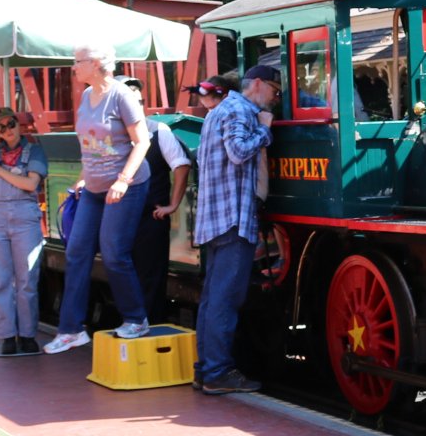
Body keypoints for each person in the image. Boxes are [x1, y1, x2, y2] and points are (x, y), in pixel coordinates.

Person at [44, 43, 154, 353]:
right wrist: (83, 175)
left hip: (126, 186)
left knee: (113, 253)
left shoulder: (122, 95)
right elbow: (91, 144)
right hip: (93, 188)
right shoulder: (85, 97)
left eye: (77, 61)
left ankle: (136, 319)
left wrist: (123, 180)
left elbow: (142, 141)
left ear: (96, 64)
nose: (73, 67)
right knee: (76, 251)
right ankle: (71, 330)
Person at [191, 65, 279, 394]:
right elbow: (239, 152)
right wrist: (265, 131)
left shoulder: (221, 108)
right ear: (257, 84)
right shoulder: (242, 110)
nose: (274, 96)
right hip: (232, 218)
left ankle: (206, 369)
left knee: (213, 298)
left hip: (215, 218)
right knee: (225, 299)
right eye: (273, 88)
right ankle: (217, 372)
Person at [122, 77, 193, 325]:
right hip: (120, 217)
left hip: (149, 217)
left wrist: (172, 205)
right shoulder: (112, 136)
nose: (138, 106)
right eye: (131, 101)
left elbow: (181, 165)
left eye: (140, 101)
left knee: (149, 278)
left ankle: (148, 329)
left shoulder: (158, 130)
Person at [0, 109, 46, 355]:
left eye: (11, 124)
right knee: (0, 279)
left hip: (24, 217)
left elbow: (30, 184)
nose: (8, 130)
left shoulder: (34, 150)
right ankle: (7, 335)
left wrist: (0, 171)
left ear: (19, 125)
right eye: (1, 127)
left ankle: (27, 334)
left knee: (27, 279)